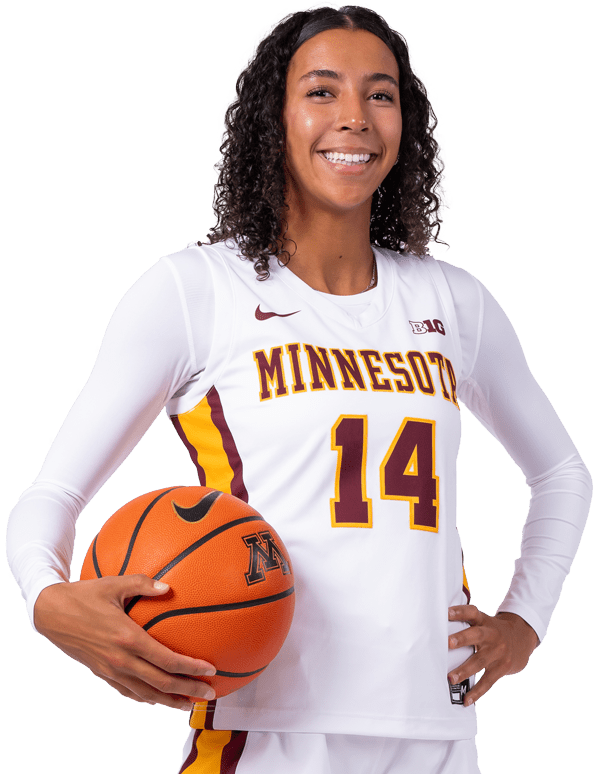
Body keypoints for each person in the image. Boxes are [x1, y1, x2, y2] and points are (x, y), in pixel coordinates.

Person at [5, 3, 592, 773]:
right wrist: (47, 599)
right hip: (267, 727)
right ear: (270, 120)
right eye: (321, 91)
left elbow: (562, 475)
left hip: (437, 731)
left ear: (405, 125)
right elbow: (51, 496)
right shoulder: (196, 290)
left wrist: (525, 621)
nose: (353, 117)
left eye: (380, 95)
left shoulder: (454, 300)